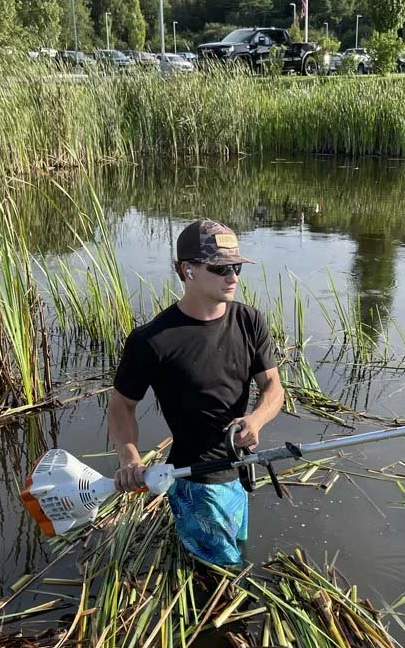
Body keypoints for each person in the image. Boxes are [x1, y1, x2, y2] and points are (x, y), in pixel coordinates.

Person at [108, 219, 284, 567]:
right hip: (194, 482)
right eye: (220, 268)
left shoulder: (250, 321)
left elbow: (273, 387)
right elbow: (121, 405)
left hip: (240, 469)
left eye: (236, 267)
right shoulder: (153, 340)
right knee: (222, 576)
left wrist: (256, 419)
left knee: (238, 555)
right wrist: (129, 456)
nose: (233, 277)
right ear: (187, 270)